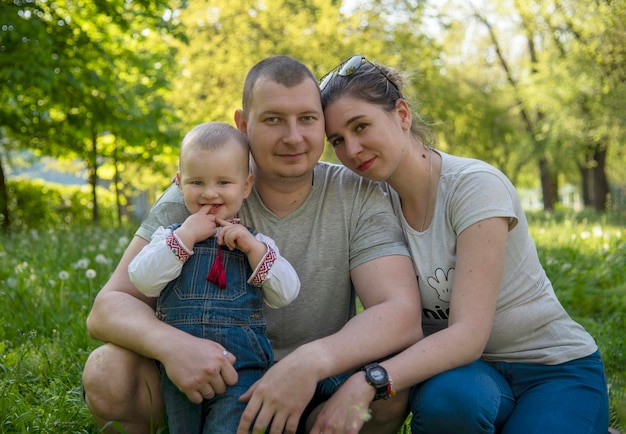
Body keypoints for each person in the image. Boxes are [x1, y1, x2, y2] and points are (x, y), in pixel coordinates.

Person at [82, 55, 423, 434]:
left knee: (386, 392)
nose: (293, 137)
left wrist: (311, 361)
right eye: (273, 119)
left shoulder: (356, 193)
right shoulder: (201, 191)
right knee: (107, 370)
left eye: (307, 119)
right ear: (243, 125)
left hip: (314, 386)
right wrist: (172, 346)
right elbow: (107, 308)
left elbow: (400, 313)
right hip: (201, 380)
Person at [314, 54, 610, 434]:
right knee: (449, 401)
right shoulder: (365, 198)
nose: (352, 150)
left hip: (551, 368)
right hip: (464, 376)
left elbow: (468, 335)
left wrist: (368, 380)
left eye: (361, 126)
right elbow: (290, 167)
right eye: (337, 139)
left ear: (402, 115)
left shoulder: (474, 185)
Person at [127, 121, 301, 433]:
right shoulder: (168, 237)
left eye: (223, 182)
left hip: (241, 369)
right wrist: (183, 238)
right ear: (179, 183)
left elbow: (287, 292)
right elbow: (142, 280)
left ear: (246, 186)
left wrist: (253, 249)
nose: (210, 193)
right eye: (196, 182)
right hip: (180, 371)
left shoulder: (256, 242)